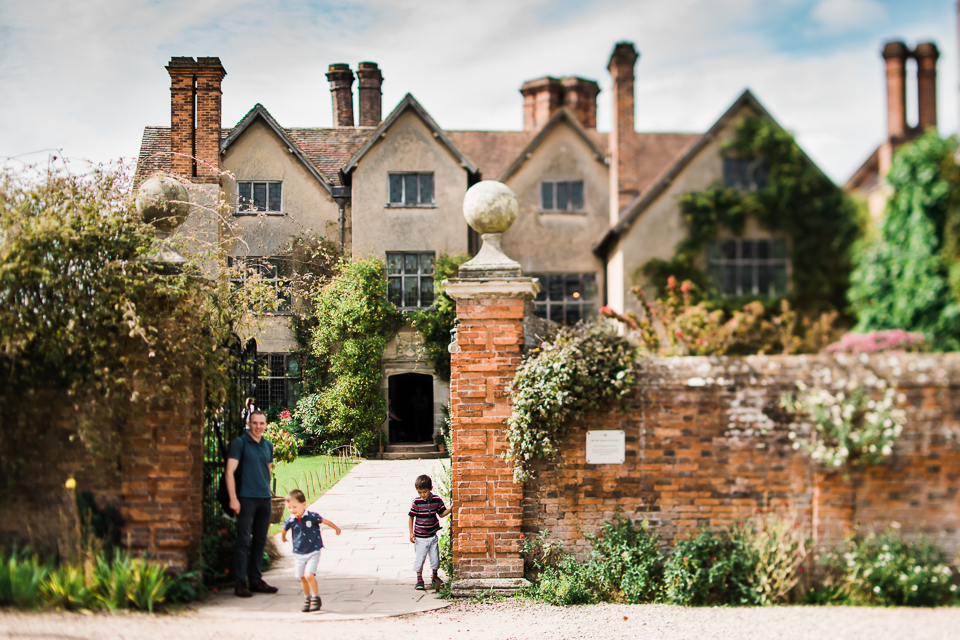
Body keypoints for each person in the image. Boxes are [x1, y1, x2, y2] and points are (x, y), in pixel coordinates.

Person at [226, 410, 279, 598]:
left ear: (266, 425)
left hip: (264, 499)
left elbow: (268, 471)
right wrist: (233, 498)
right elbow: (229, 472)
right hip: (246, 499)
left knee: (259, 541)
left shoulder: (267, 445)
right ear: (249, 423)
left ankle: (255, 580)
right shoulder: (239, 443)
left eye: (261, 423)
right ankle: (240, 582)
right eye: (255, 423)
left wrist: (268, 494)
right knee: (243, 541)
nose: (258, 427)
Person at [282, 489, 341, 612]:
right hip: (298, 552)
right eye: (289, 507)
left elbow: (324, 521)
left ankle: (315, 597)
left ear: (303, 504)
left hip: (313, 551)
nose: (292, 510)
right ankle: (306, 598)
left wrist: (335, 528)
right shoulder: (290, 520)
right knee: (302, 577)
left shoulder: (311, 516)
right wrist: (283, 537)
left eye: (294, 506)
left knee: (308, 575)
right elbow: (284, 529)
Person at [407, 474, 451, 590]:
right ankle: (419, 579)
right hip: (420, 537)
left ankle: (434, 576)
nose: (422, 495)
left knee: (435, 558)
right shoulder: (416, 502)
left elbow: (441, 514)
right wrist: (411, 533)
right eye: (420, 492)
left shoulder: (436, 500)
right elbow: (411, 517)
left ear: (431, 488)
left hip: (432, 535)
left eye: (425, 492)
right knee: (420, 558)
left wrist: (451, 508)